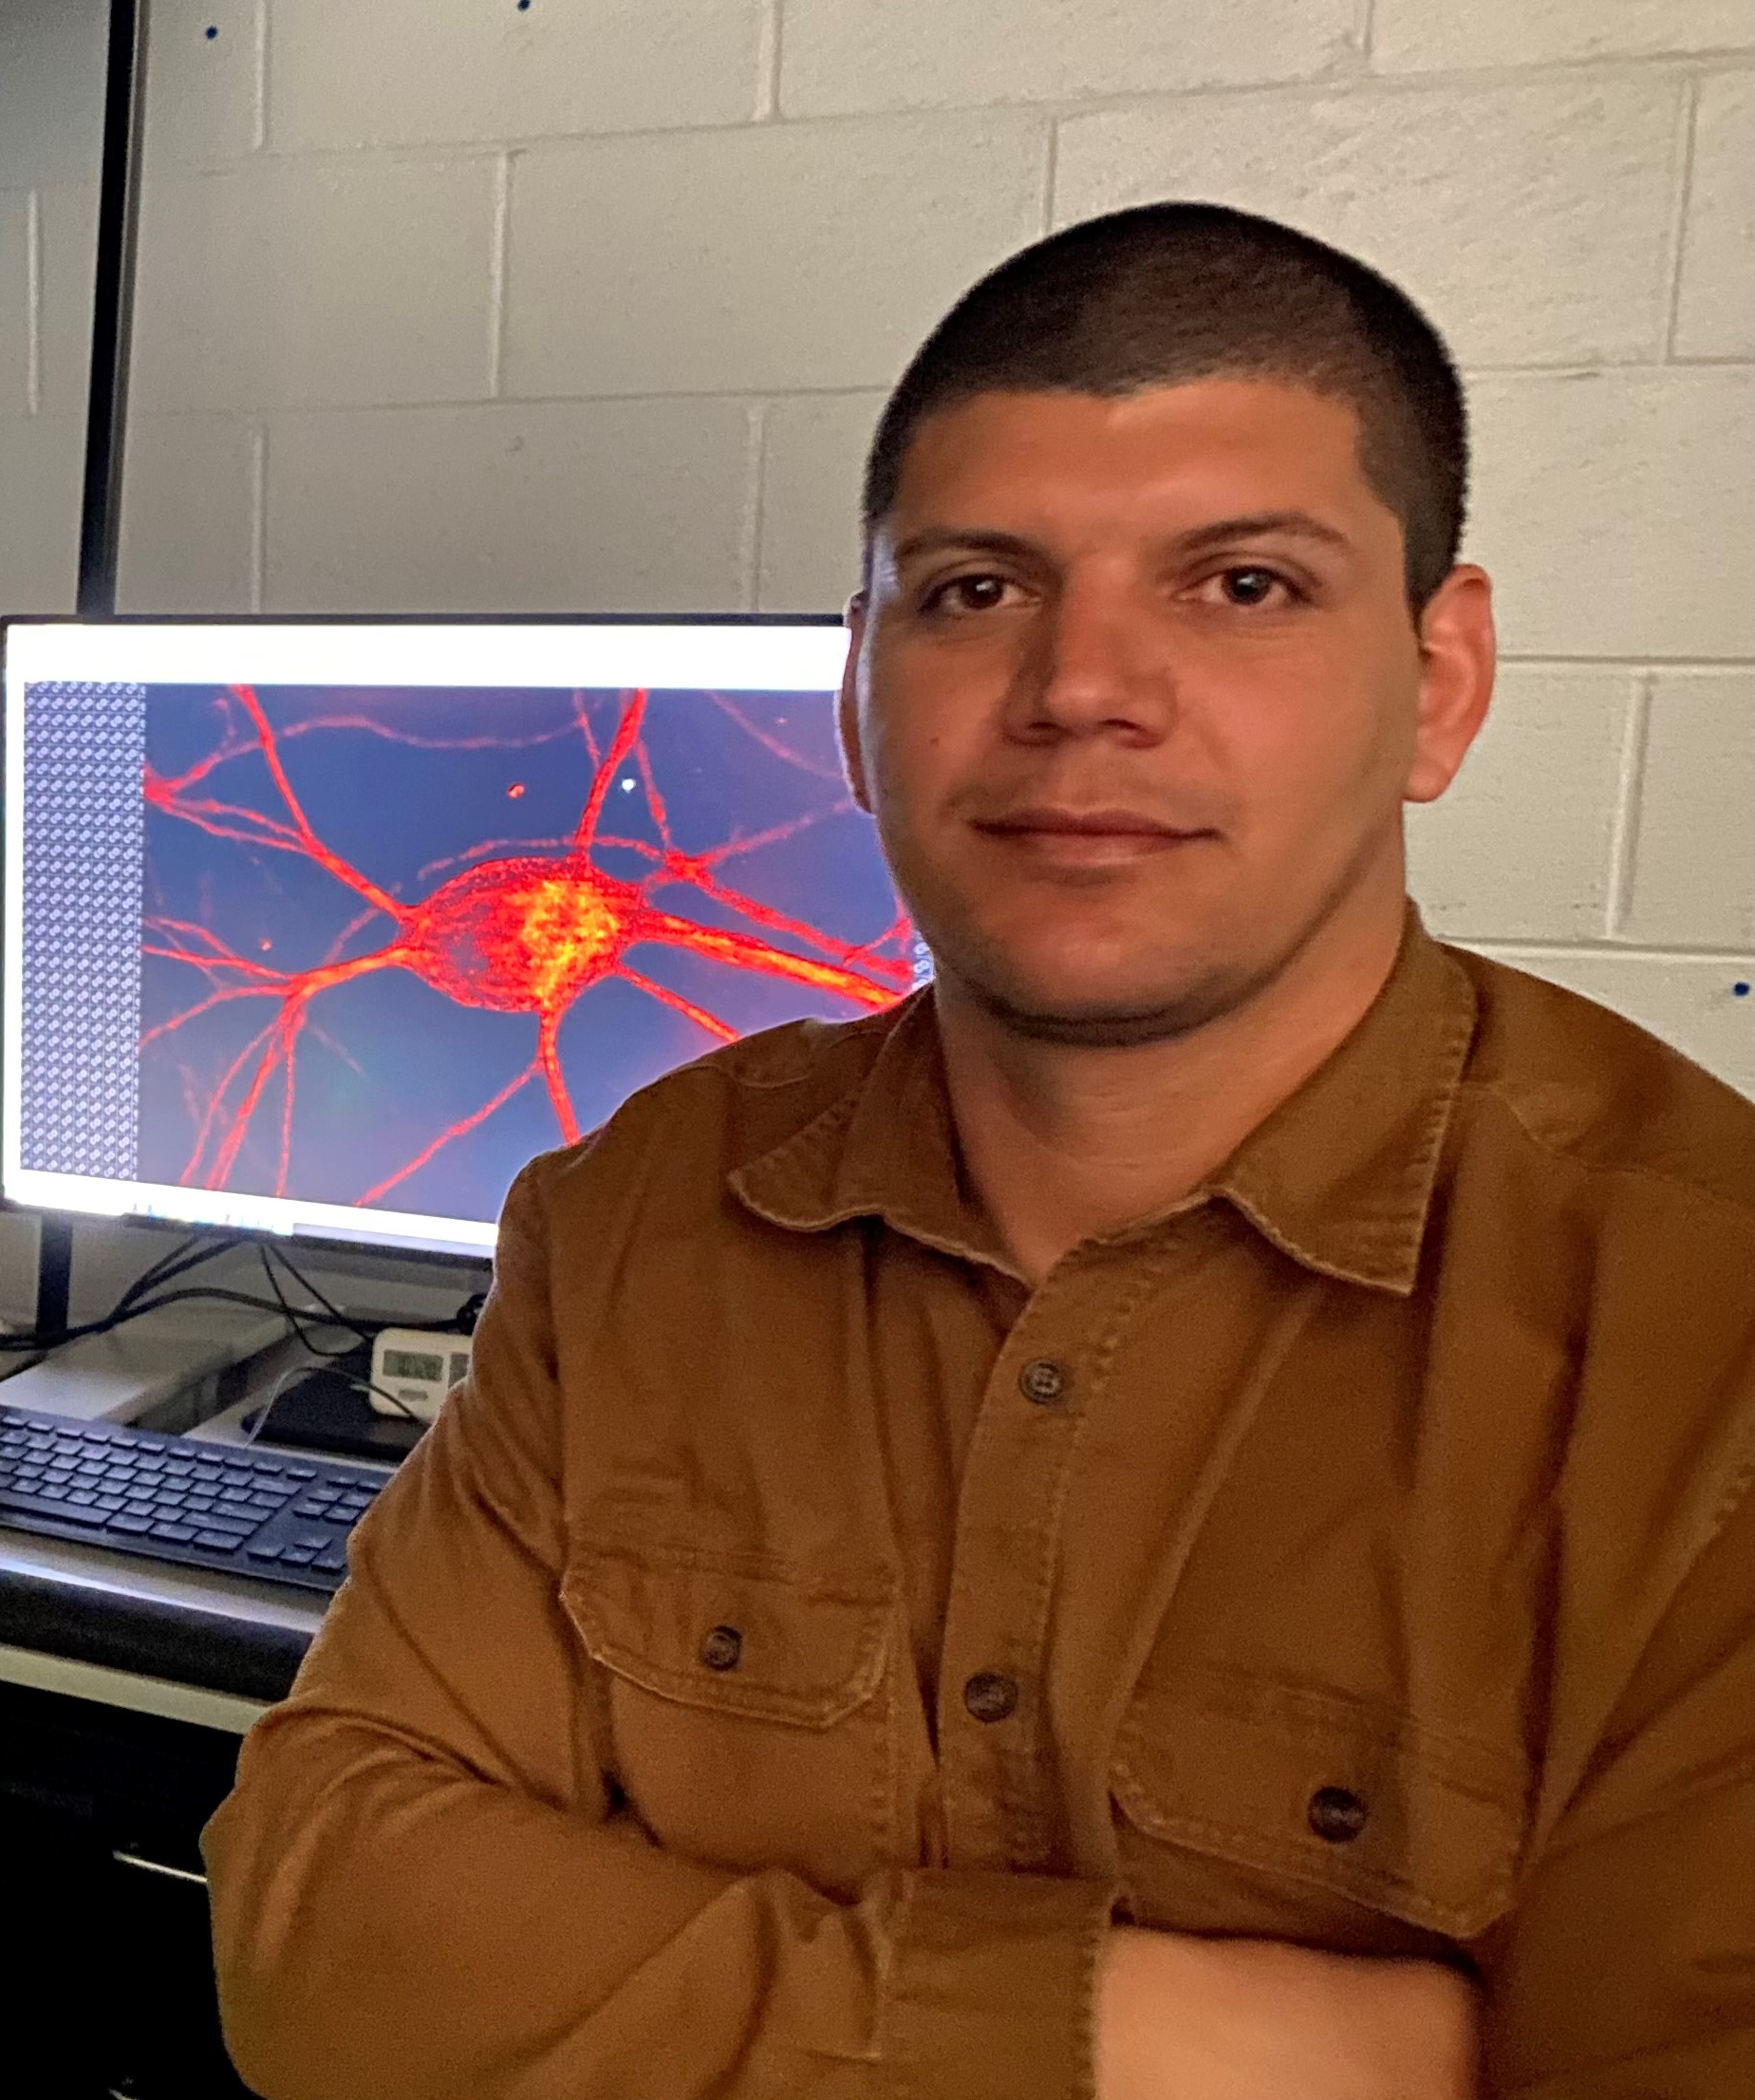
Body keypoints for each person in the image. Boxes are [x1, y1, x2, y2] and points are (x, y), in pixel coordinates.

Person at [200, 201, 1755, 2098]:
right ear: (858, 692)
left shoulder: (1700, 1345)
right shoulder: (643, 1212)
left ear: (1438, 679)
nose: (1078, 684)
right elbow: (316, 1925)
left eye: (1240, 583)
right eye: (972, 590)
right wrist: (1120, 2035)